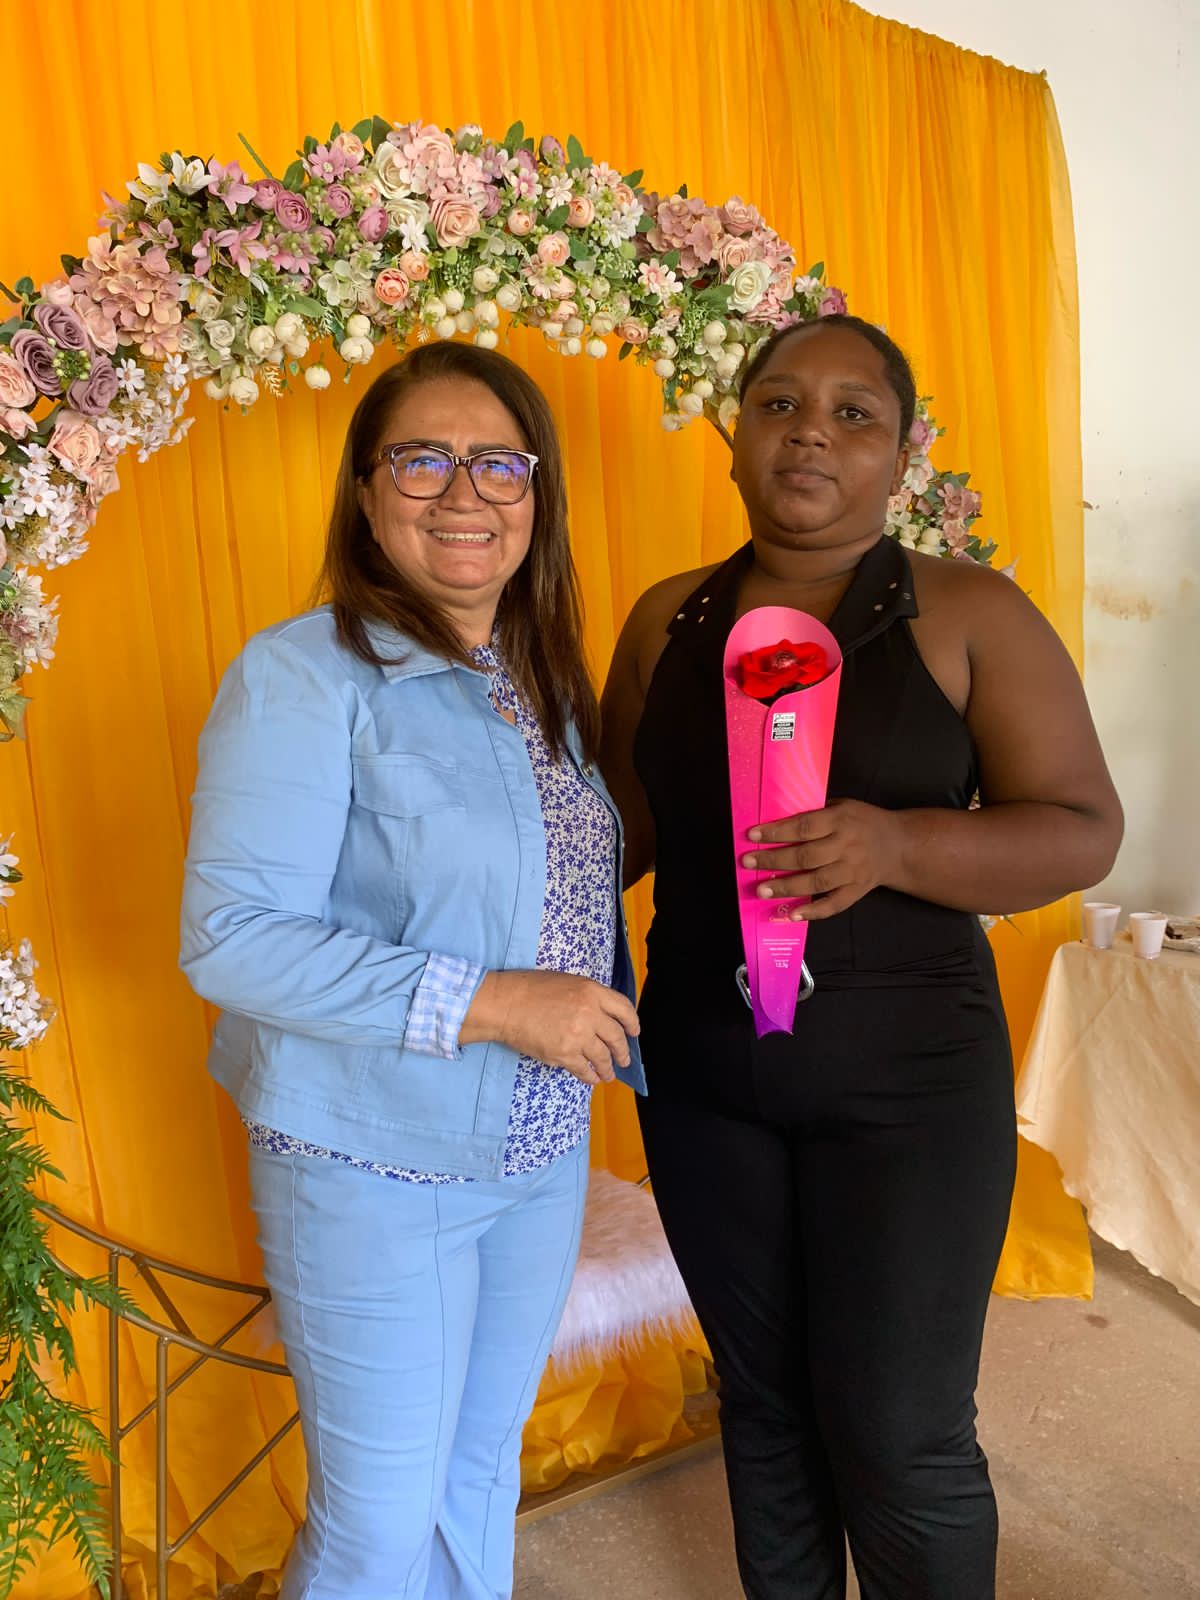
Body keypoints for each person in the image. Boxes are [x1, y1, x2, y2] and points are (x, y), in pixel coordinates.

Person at [600, 314, 1122, 1600]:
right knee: (764, 1405)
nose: (810, 434)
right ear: (734, 437)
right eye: (778, 405)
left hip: (912, 1085)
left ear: (901, 453)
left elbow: (1081, 827)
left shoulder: (970, 612)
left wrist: (897, 844)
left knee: (899, 1431)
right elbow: (619, 832)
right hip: (706, 1078)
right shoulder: (666, 620)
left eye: (853, 414)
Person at [180, 342, 644, 1600]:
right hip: (371, 1163)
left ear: (536, 493)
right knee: (379, 1527)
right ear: (367, 489)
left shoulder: (537, 680)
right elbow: (231, 934)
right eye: (423, 460)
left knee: (477, 1476)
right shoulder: (301, 673)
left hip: (538, 1151)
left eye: (499, 464)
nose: (464, 493)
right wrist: (493, 1000)